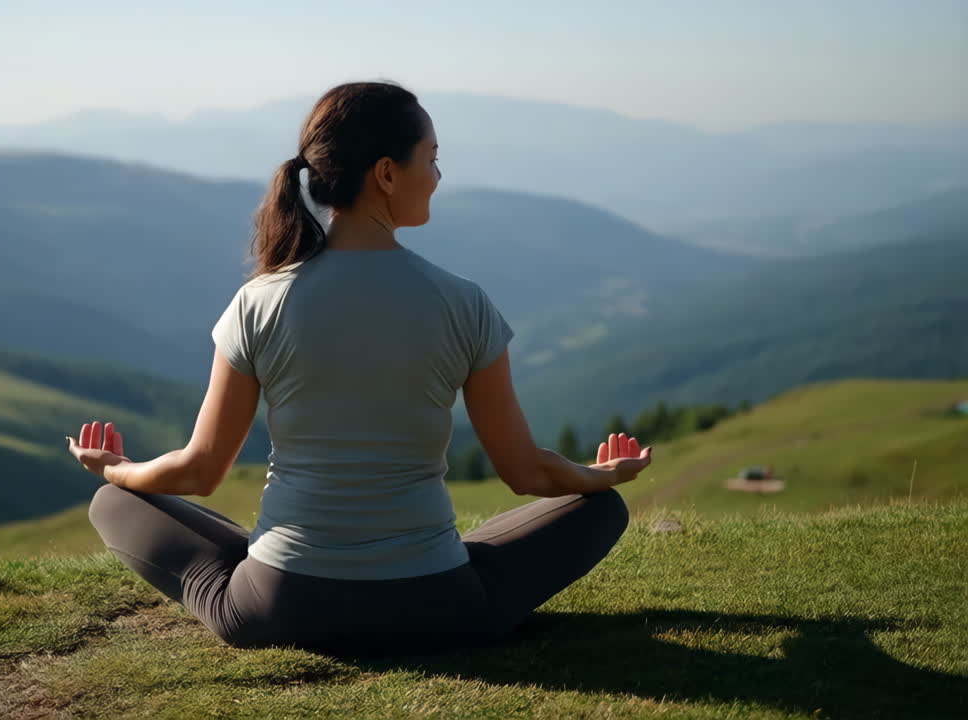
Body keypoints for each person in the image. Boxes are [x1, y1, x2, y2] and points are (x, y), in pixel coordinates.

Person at [76, 80, 653, 656]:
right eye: (431, 159)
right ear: (385, 173)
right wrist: (601, 478)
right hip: (440, 609)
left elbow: (198, 472)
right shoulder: (462, 302)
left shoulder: (259, 302)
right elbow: (527, 473)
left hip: (278, 606)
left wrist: (117, 471)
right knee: (599, 511)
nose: (437, 176)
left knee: (114, 504)